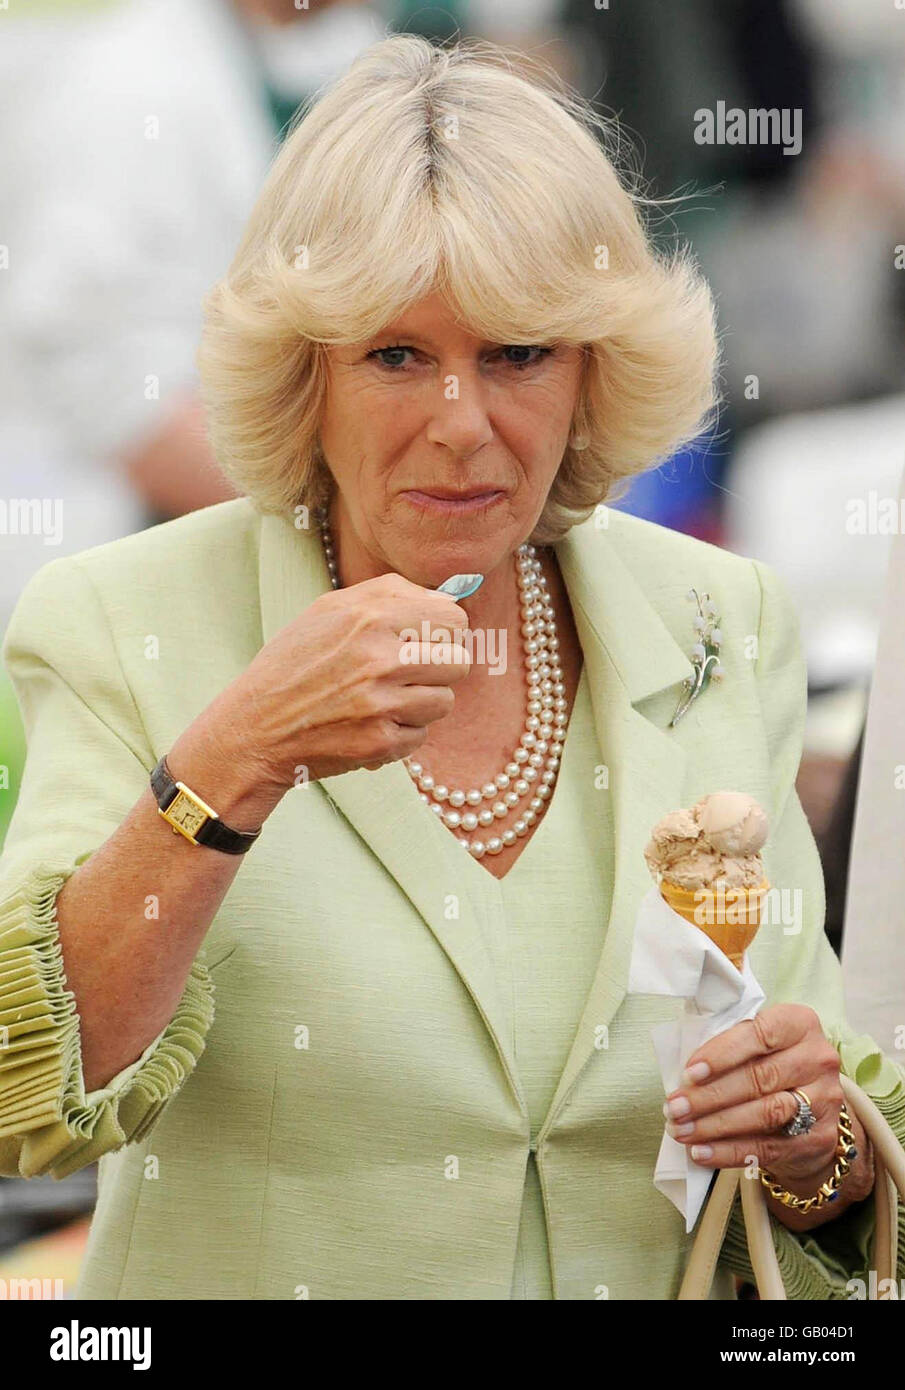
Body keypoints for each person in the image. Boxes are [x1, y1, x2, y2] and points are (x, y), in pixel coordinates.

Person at [0, 36, 902, 1301]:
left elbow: (822, 1131)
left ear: (595, 370)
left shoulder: (716, 615)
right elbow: (28, 1107)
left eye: (518, 353)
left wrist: (813, 1145)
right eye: (394, 355)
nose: (461, 422)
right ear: (304, 373)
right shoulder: (121, 617)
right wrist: (238, 754)